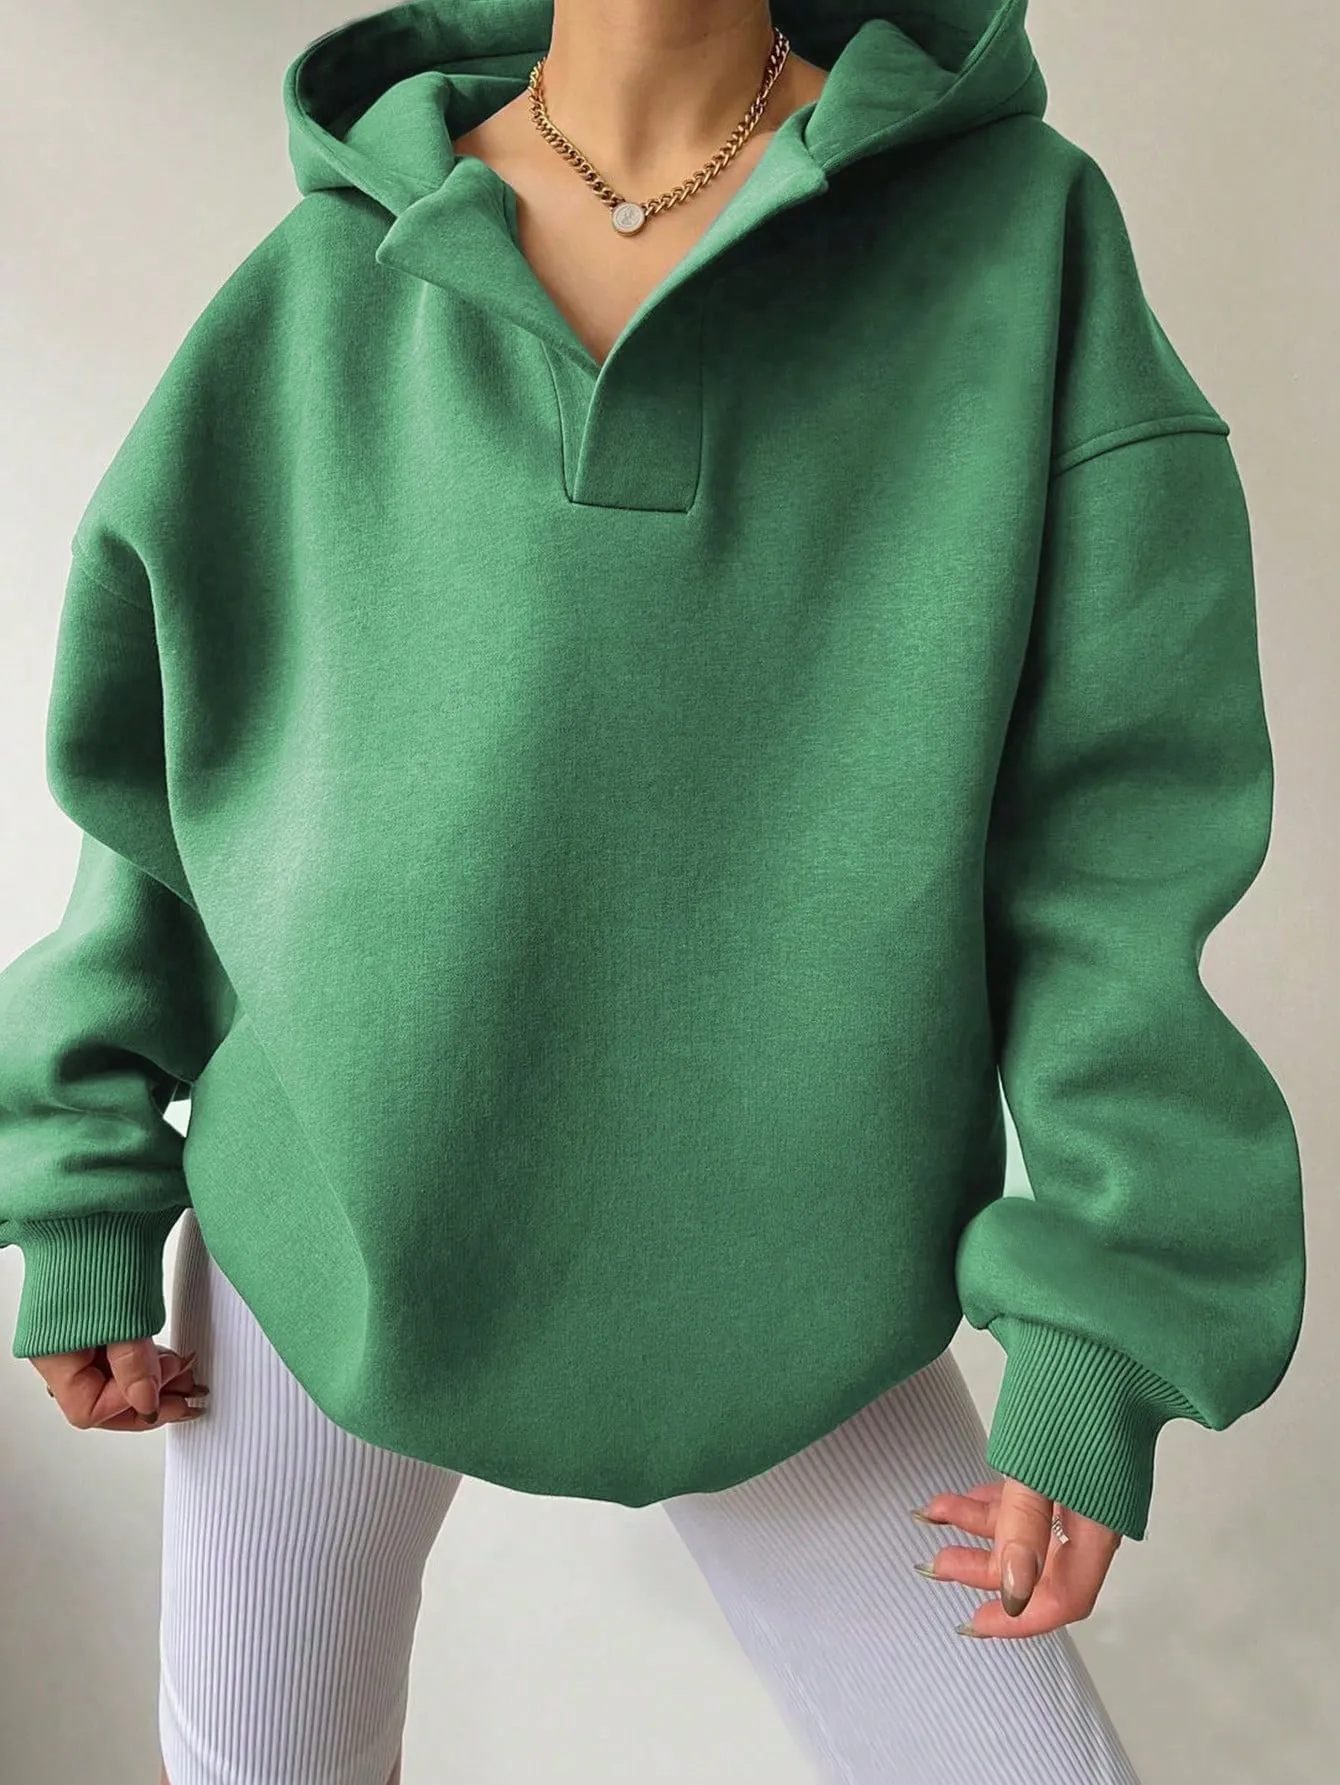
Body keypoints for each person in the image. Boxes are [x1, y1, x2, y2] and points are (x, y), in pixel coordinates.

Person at [0, 0, 1306, 1781]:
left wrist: (1102, 1333)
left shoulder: (1021, 246)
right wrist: (78, 1181)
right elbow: (160, 786)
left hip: (799, 1294)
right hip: (321, 1253)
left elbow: (1123, 844)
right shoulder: (326, 280)